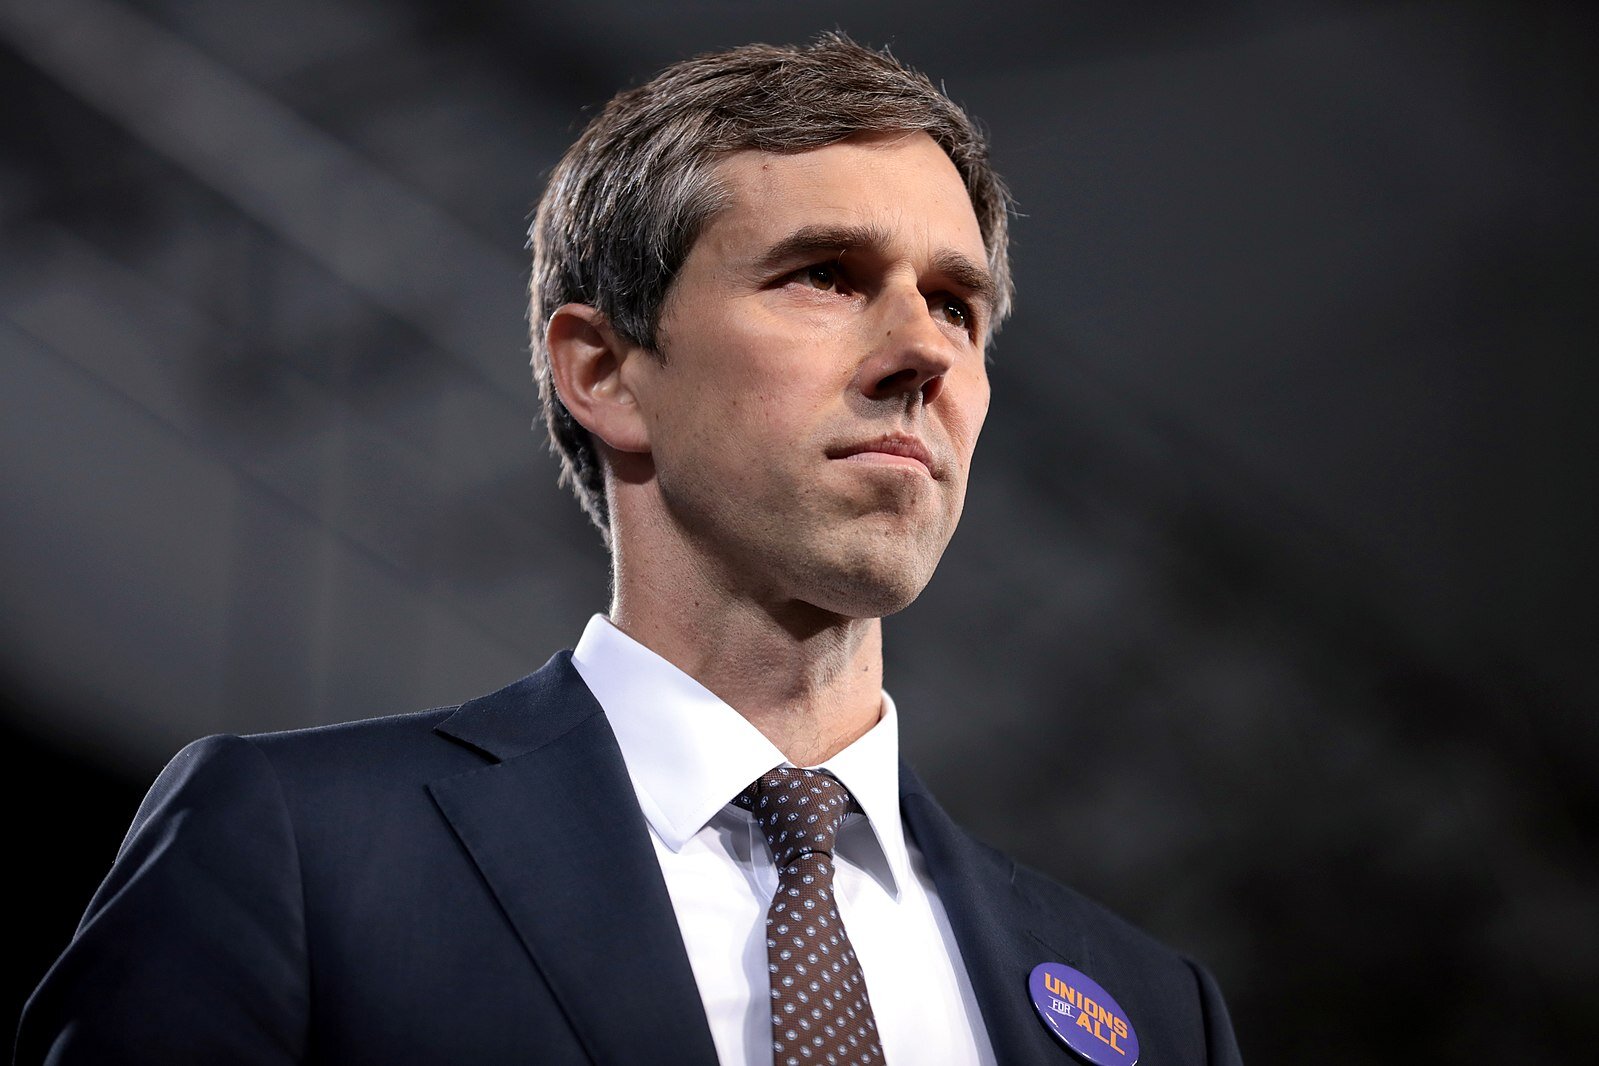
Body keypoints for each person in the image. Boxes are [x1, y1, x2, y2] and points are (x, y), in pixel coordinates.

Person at [16, 34, 1243, 1066]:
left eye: (958, 306)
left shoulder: (1151, 1008)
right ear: (603, 371)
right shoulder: (301, 848)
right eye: (825, 275)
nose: (924, 351)